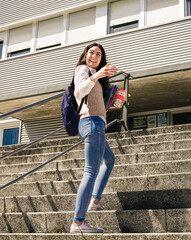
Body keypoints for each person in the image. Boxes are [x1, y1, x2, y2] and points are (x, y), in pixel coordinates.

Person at [70, 42, 119, 234]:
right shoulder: (83, 69)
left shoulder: (95, 75)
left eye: (98, 54)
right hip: (91, 123)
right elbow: (79, 92)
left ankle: (95, 201)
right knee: (90, 171)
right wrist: (98, 74)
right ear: (85, 55)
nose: (94, 56)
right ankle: (78, 222)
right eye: (91, 52)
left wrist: (112, 101)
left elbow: (92, 98)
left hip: (96, 123)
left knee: (110, 159)